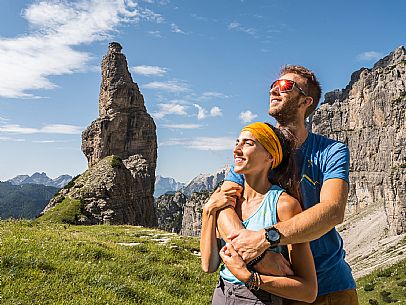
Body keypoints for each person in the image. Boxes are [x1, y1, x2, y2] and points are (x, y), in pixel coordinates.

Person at [216, 65, 359, 305]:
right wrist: (255, 257)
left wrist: (266, 239)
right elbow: (223, 206)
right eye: (273, 86)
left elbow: (333, 210)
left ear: (306, 101)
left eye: (285, 86)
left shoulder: (331, 151)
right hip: (278, 288)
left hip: (330, 287)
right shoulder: (257, 149)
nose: (274, 90)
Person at [200, 122, 317, 305]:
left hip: (259, 297)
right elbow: (209, 265)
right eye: (237, 142)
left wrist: (250, 277)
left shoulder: (284, 205)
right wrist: (208, 211)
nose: (237, 149)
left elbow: (308, 291)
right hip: (222, 293)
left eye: (248, 143)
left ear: (270, 156)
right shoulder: (227, 202)